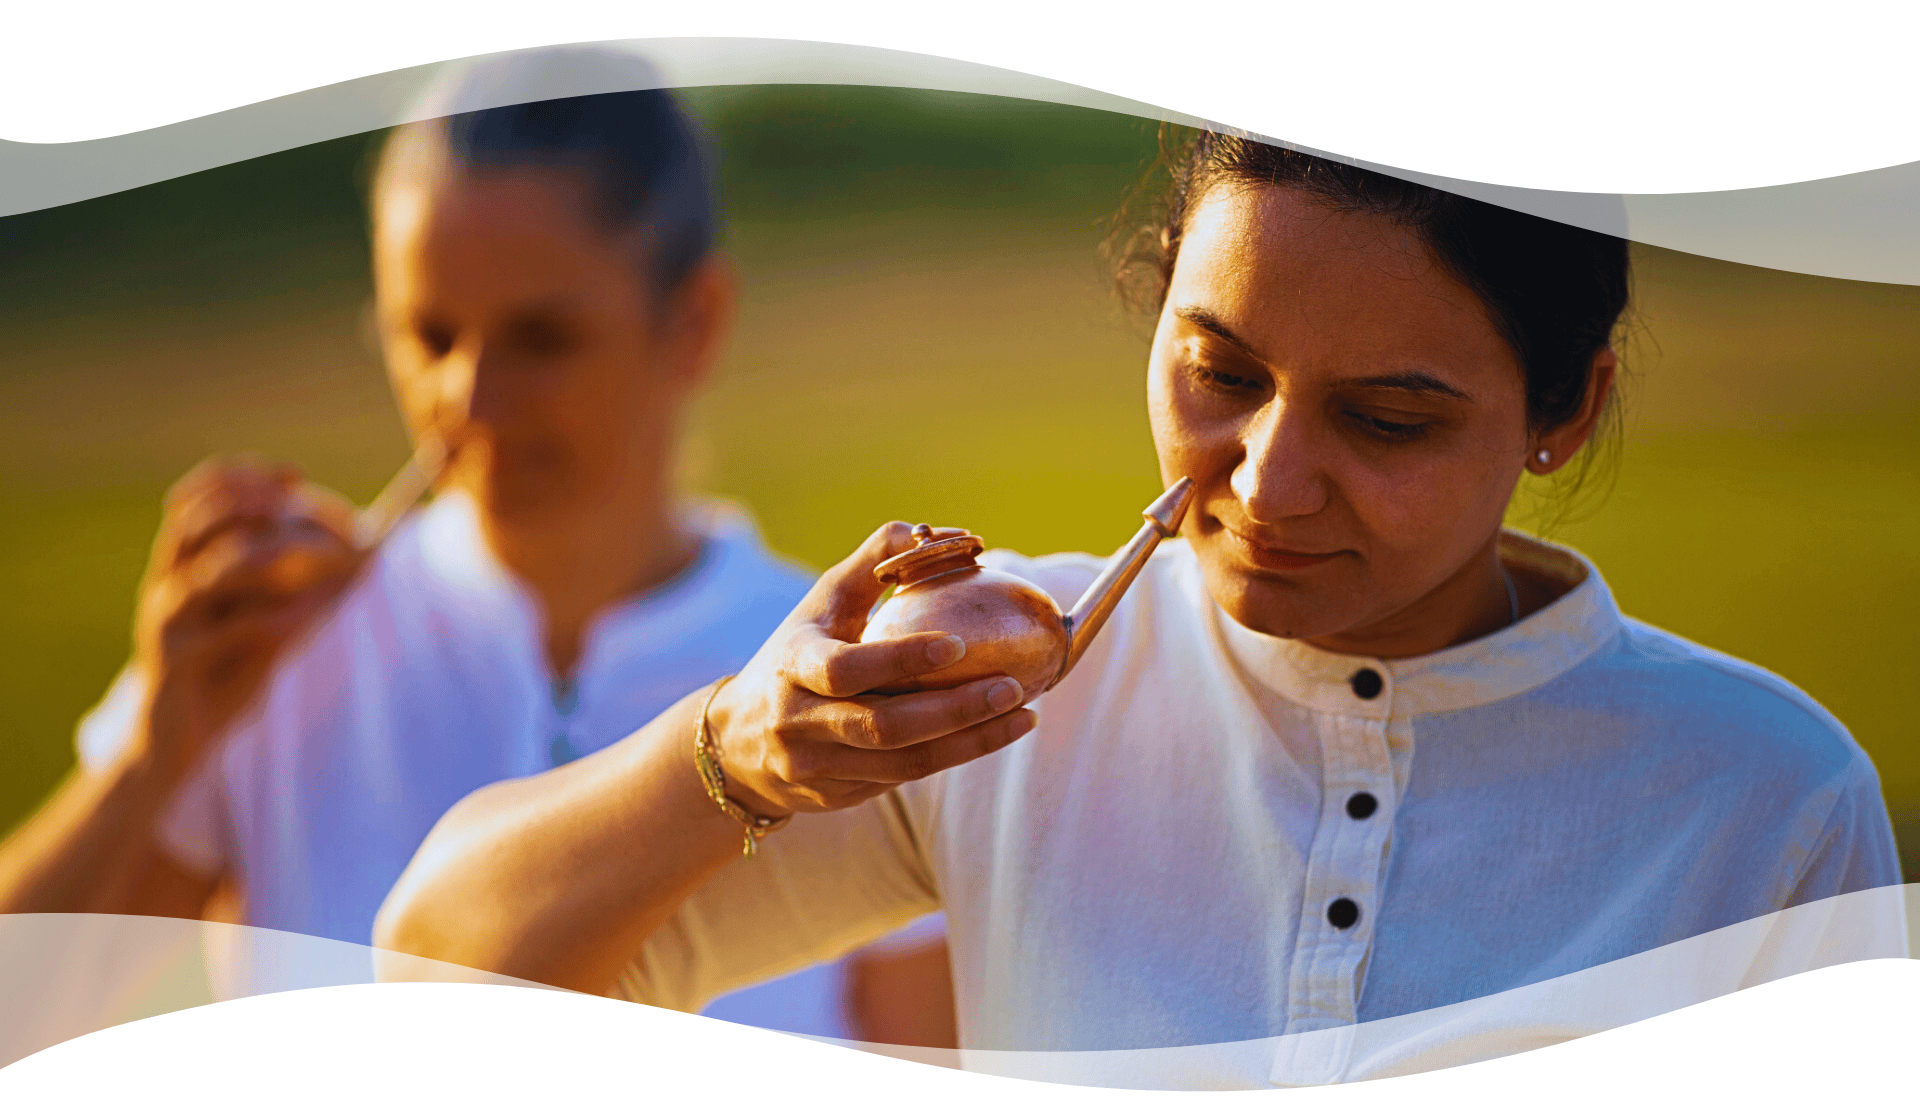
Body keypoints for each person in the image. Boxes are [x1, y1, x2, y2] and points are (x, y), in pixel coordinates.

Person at [372, 132, 1906, 1085]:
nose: (1269, 480)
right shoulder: (1005, 692)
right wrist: (733, 750)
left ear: (1565, 408)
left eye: (1387, 419)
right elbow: (435, 968)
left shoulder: (1766, 802)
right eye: (1220, 374)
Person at [0, 49, 837, 1014]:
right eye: (430, 335)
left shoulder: (816, 674)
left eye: (541, 338)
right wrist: (157, 752)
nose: (467, 399)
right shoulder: (276, 649)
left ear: (695, 321)